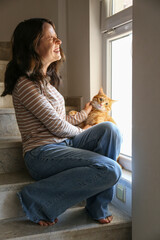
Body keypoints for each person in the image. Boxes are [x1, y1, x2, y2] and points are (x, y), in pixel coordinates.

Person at [1, 18, 122, 226]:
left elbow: (59, 120)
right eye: (51, 38)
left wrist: (84, 115)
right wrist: (80, 131)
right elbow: (57, 126)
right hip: (42, 154)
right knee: (111, 169)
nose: (59, 41)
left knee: (110, 131)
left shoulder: (46, 82)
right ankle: (37, 198)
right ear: (33, 45)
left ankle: (97, 206)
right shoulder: (25, 85)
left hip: (63, 144)